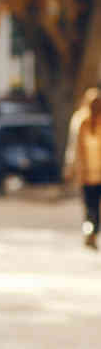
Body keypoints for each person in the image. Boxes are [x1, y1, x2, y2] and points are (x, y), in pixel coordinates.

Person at [64, 87, 101, 248]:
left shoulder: (79, 120)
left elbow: (72, 149)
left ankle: (89, 229)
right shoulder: (81, 122)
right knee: (94, 206)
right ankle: (92, 230)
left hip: (88, 174)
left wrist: (70, 168)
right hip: (92, 173)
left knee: (90, 206)